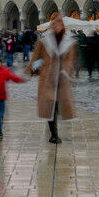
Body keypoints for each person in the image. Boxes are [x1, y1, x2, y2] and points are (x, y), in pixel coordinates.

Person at [27, 13, 77, 143]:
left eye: (60, 24)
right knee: (51, 104)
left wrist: (66, 71)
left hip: (61, 78)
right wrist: (30, 69)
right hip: (48, 77)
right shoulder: (44, 39)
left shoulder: (68, 41)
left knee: (59, 104)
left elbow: (69, 60)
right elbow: (36, 55)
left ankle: (54, 130)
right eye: (55, 24)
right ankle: (54, 134)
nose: (57, 26)